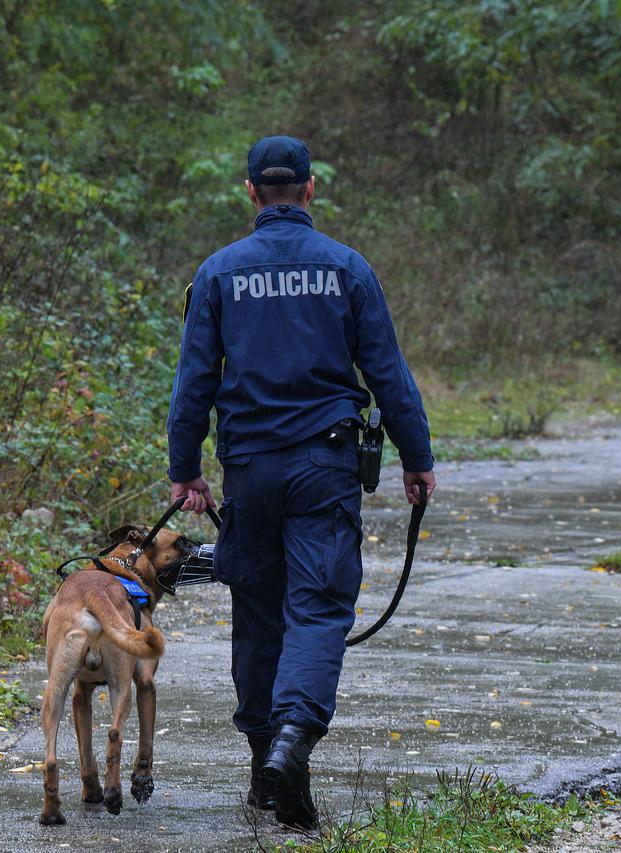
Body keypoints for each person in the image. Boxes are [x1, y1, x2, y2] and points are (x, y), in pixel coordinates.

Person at [166, 135, 435, 831]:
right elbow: (388, 373)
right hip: (325, 465)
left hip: (250, 470)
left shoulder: (220, 273)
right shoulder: (347, 268)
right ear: (310, 190)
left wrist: (185, 468)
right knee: (317, 607)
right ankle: (293, 740)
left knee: (258, 610)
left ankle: (267, 769)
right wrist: (417, 457)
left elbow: (193, 381)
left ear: (251, 192)